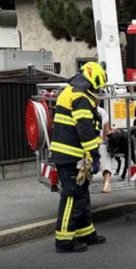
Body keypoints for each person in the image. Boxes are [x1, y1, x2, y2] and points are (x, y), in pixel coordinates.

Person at [50, 61, 107, 253]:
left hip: (70, 155)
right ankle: (64, 241)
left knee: (81, 195)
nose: (96, 90)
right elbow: (85, 130)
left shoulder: (70, 92)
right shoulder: (80, 97)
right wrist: (95, 155)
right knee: (71, 197)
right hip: (71, 156)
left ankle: (86, 234)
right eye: (96, 86)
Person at [96, 106, 114, 193]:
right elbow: (107, 133)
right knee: (106, 156)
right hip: (99, 143)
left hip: (83, 144)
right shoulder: (101, 111)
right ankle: (107, 184)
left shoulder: (78, 109)